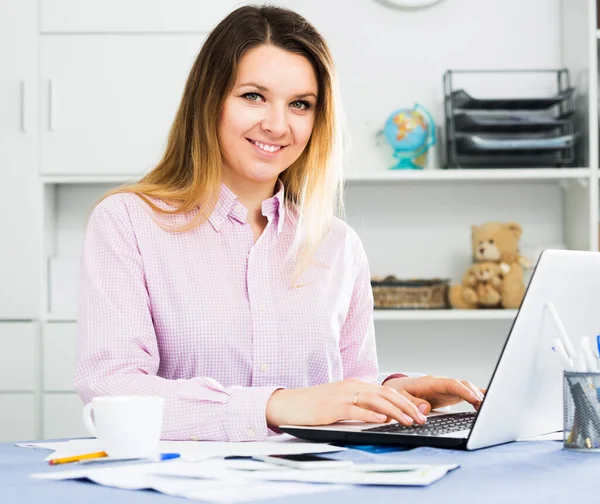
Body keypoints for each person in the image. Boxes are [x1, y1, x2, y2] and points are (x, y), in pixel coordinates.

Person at [74, 4, 484, 442]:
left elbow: (344, 387)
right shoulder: (129, 223)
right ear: (209, 100)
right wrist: (272, 406)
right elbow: (111, 387)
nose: (277, 125)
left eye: (300, 104)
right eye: (253, 96)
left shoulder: (338, 245)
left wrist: (386, 394)